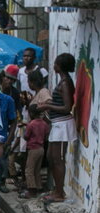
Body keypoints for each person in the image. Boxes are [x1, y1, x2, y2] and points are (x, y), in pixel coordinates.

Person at [38, 53, 76, 202]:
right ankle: (57, 190)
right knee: (51, 158)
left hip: (63, 124)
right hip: (57, 124)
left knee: (58, 159)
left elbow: (67, 107)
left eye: (55, 63)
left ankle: (60, 193)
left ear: (59, 66)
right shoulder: (63, 81)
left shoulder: (65, 83)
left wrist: (47, 105)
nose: (53, 65)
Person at [21, 104, 49, 199]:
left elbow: (26, 136)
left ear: (31, 113)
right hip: (41, 148)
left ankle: (31, 190)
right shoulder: (44, 123)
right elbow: (46, 136)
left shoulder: (31, 124)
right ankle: (39, 187)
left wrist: (24, 130)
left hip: (33, 149)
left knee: (29, 170)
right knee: (37, 170)